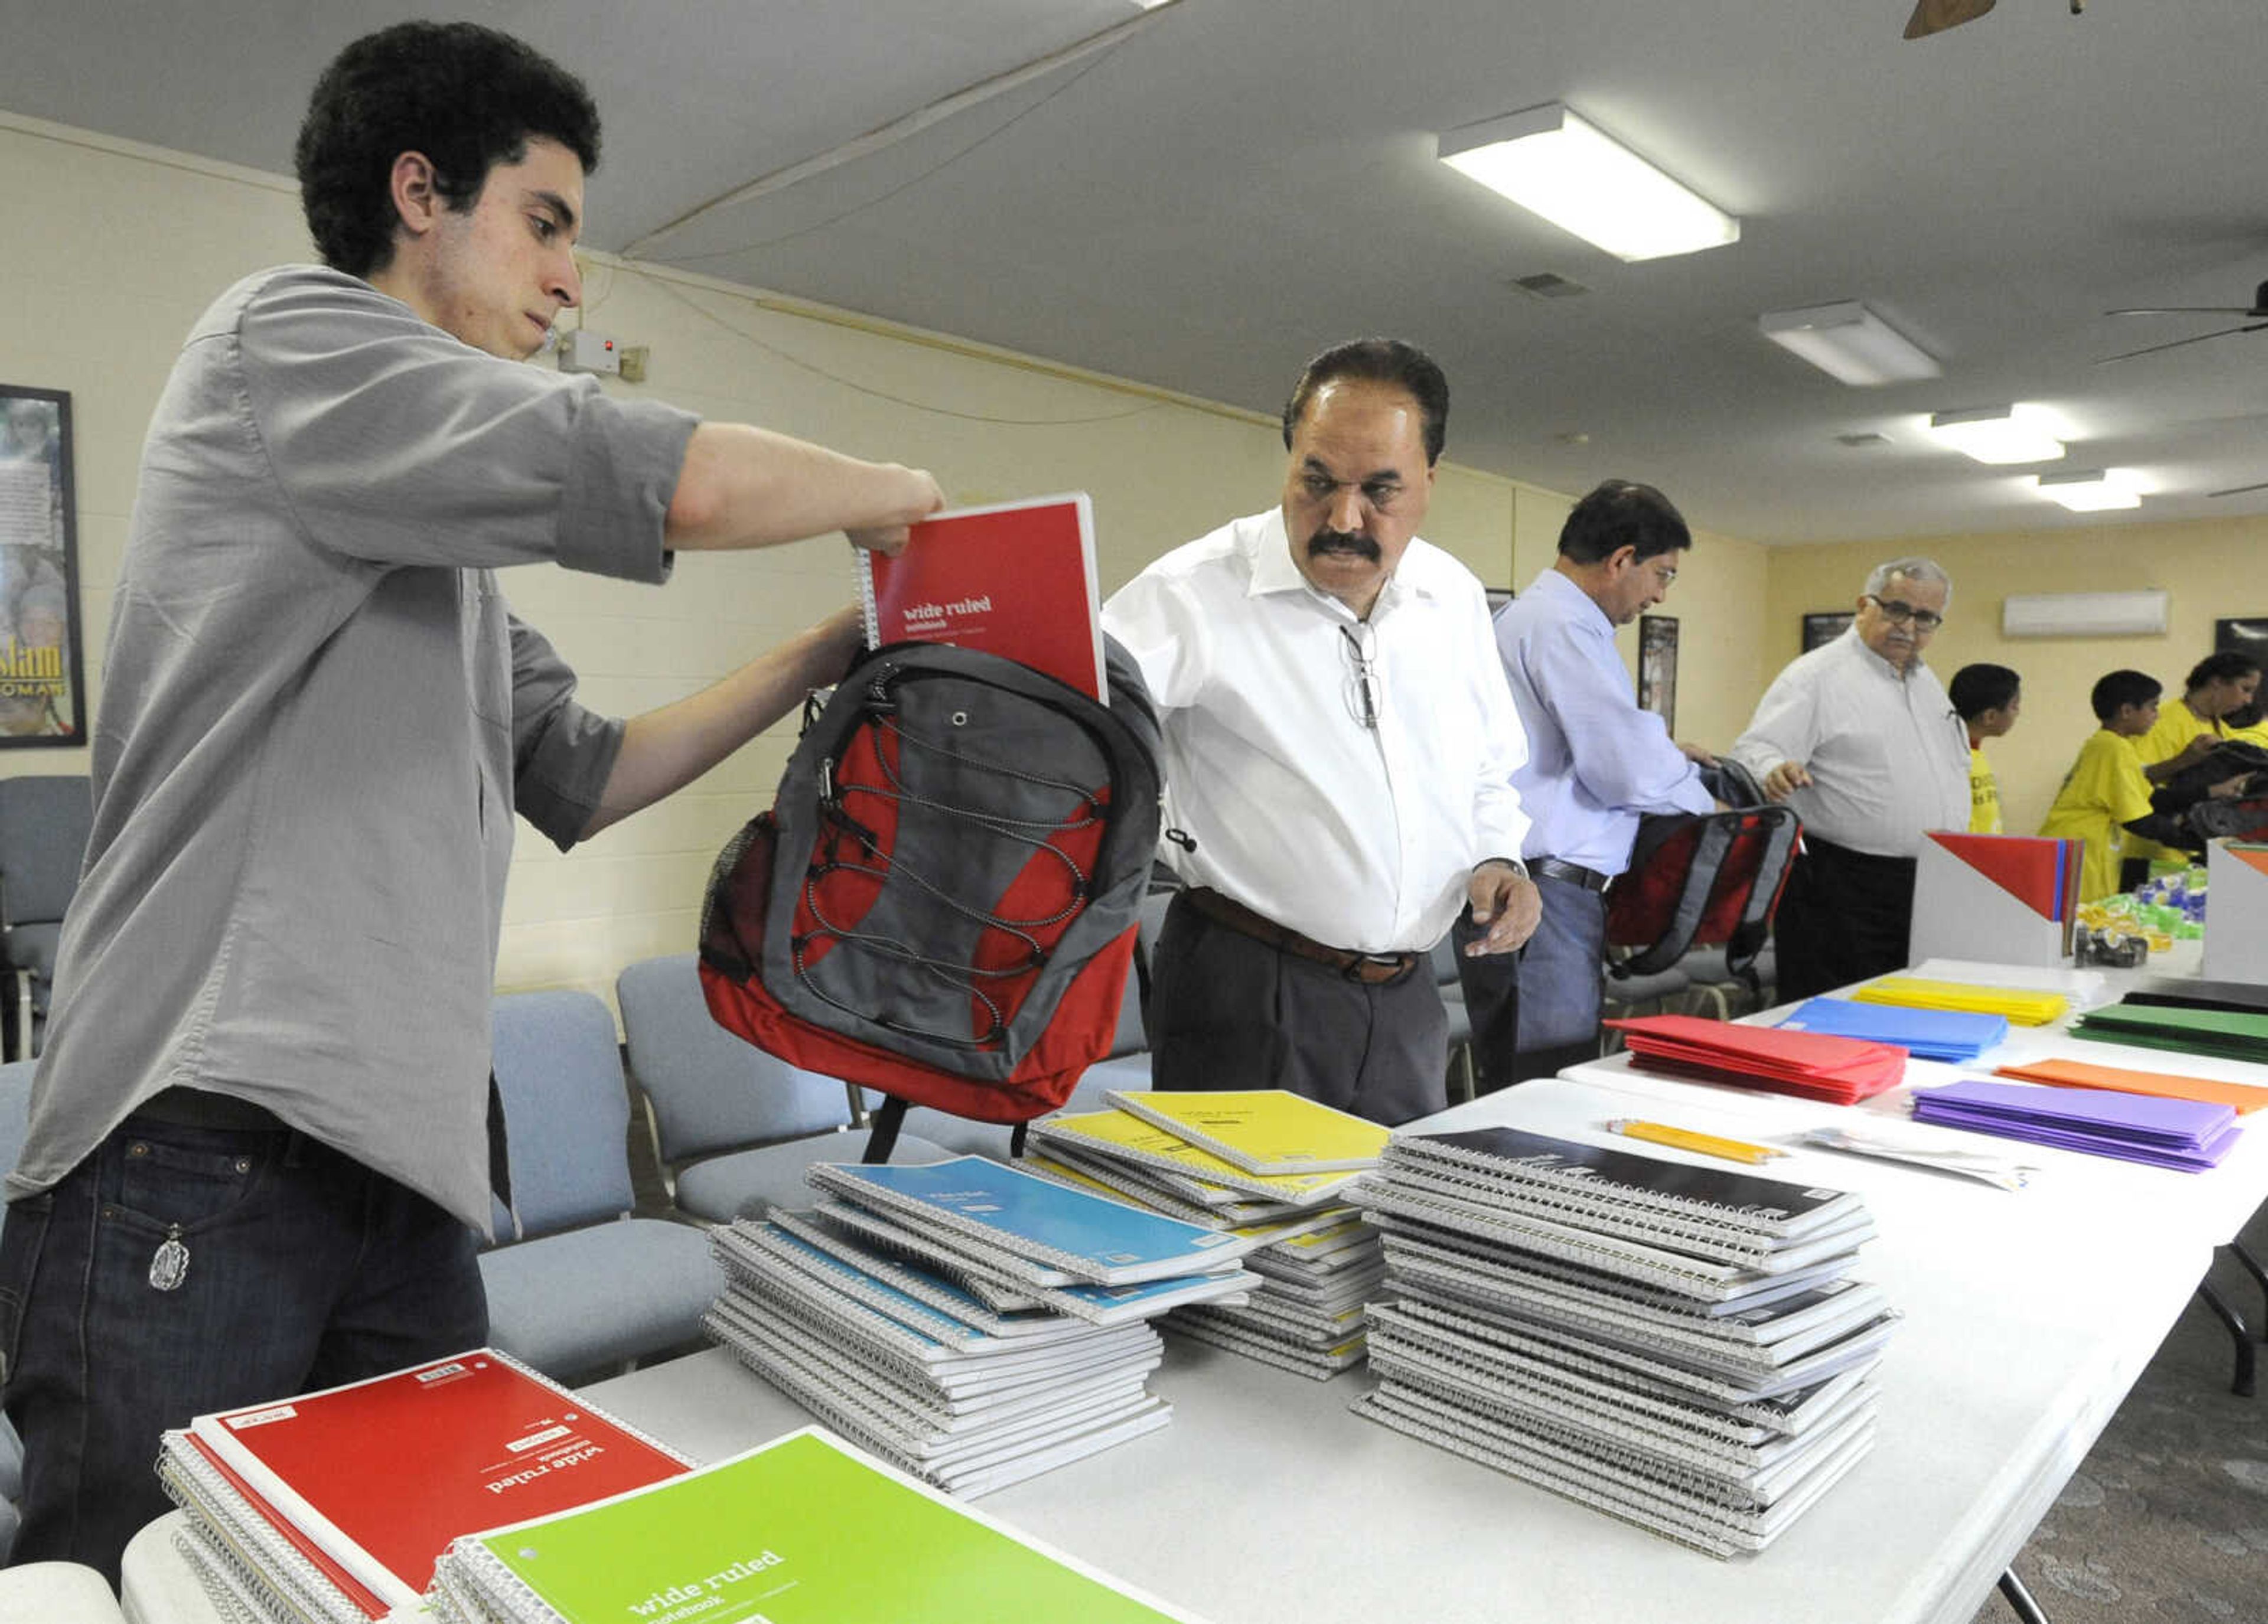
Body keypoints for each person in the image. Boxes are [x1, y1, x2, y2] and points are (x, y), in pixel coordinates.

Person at [0, 21, 943, 1580]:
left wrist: (835, 644)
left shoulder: (434, 541)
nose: (575, 282)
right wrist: (901, 500)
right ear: (420, 190)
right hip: (199, 1150)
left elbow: (583, 766)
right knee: (149, 1588)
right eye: (548, 222)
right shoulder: (281, 345)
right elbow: (654, 470)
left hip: (402, 1175)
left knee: (441, 1581)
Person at [1102, 338, 1539, 1126]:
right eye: (1317, 482)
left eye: (1381, 490)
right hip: (1247, 985)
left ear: (1430, 481)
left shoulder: (1453, 595)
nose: (1343, 518)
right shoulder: (1193, 593)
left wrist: (1498, 855)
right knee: (1241, 1236)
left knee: (1383, 1229)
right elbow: (1071, 736)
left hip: (1406, 994)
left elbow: (1486, 768)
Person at [1451, 480, 1714, 1090]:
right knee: (1538, 1084)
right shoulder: (1561, 626)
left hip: (1551, 890)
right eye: (1662, 573)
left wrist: (1663, 753)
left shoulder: (1551, 621)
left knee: (1540, 1074)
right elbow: (1624, 769)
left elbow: (1579, 745)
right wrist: (1702, 795)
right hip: (1544, 891)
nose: (1659, 592)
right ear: (1622, 558)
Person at [1728, 558, 1969, 1002]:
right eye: (1897, 609)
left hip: (1922, 881)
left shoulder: (1924, 680)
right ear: (1864, 606)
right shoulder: (1817, 676)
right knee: (1837, 1015)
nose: (1908, 627)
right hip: (1840, 882)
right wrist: (1773, 770)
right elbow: (1754, 749)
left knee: (1903, 1011)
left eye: (1925, 618)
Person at [2125, 650, 2265, 869]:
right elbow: (2136, 782)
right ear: (2217, 682)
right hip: (2155, 853)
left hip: (2199, 849)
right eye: (2245, 689)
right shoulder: (2161, 722)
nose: (2248, 700)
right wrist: (2185, 760)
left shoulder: (2224, 731)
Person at [2038, 671, 2161, 904]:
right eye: (2153, 707)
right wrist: (2193, 839)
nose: (2157, 715)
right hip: (2081, 853)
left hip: (2085, 849)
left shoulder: (2107, 744)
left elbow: (2149, 797)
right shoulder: (2113, 748)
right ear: (2126, 712)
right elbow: (2138, 820)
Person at [1948, 663, 2022, 834]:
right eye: (2014, 705)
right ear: (1990, 716)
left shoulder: (1975, 755)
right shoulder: (1956, 761)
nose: (2018, 712)